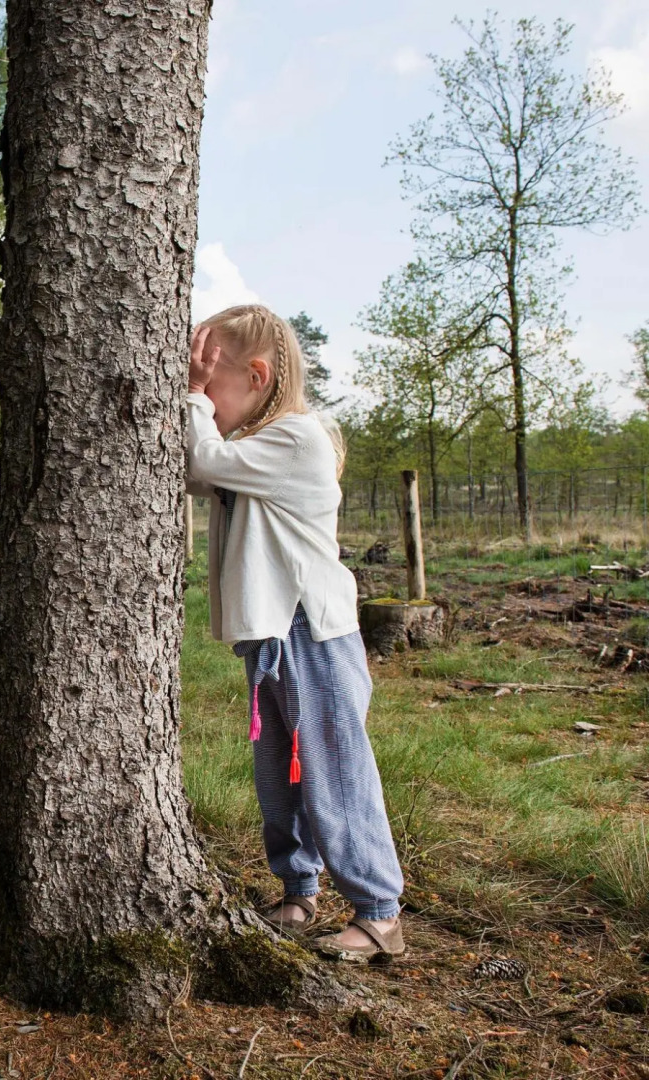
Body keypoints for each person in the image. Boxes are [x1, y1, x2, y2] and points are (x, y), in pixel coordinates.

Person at [185, 304, 406, 962]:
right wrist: (200, 396)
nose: (198, 393)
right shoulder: (251, 448)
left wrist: (193, 400)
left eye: (208, 379)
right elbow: (197, 468)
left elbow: (201, 455)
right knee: (278, 778)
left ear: (256, 375)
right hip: (272, 640)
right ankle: (299, 887)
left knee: (334, 773)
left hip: (313, 632)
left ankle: (380, 912)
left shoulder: (296, 439)